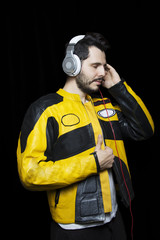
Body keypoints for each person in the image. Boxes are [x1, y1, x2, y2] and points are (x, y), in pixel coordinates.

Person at [17, 33, 154, 240]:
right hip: (74, 230)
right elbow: (29, 174)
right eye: (95, 66)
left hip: (115, 220)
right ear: (72, 65)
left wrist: (119, 88)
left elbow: (144, 130)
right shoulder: (45, 109)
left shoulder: (105, 105)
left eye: (105, 66)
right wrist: (93, 163)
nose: (102, 72)